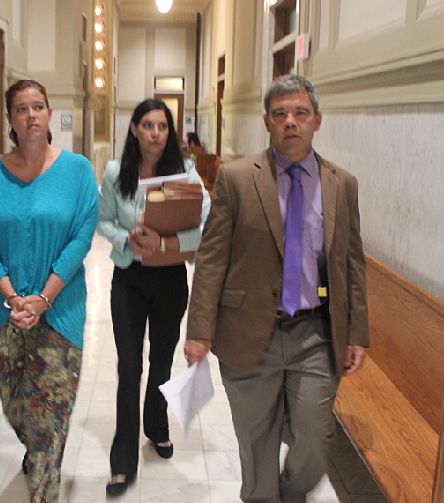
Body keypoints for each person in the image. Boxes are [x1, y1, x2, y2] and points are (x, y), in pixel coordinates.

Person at [184, 75, 369, 503]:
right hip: (249, 333)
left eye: (300, 113)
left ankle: (290, 494)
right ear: (267, 121)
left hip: (316, 334)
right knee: (256, 441)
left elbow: (352, 264)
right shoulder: (236, 178)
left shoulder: (343, 184)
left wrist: (357, 330)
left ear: (317, 120)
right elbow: (212, 258)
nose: (291, 122)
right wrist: (198, 328)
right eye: (281, 114)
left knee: (315, 438)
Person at [0, 79, 99, 503]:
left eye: (38, 106)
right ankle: (37, 454)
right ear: (10, 118)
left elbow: (81, 234)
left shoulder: (77, 169)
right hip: (3, 309)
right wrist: (11, 295)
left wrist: (44, 297)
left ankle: (44, 487)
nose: (31, 115)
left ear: (49, 113)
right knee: (17, 407)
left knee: (50, 416)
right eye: (21, 108)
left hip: (60, 309)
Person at [97, 99, 211, 497]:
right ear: (133, 129)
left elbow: (206, 223)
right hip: (128, 277)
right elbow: (104, 221)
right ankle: (122, 460)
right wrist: (126, 238)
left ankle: (156, 426)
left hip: (170, 280)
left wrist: (167, 241)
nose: (155, 133)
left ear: (170, 131)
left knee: (160, 360)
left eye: (162, 126)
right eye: (147, 125)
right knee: (129, 367)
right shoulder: (115, 173)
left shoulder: (185, 172)